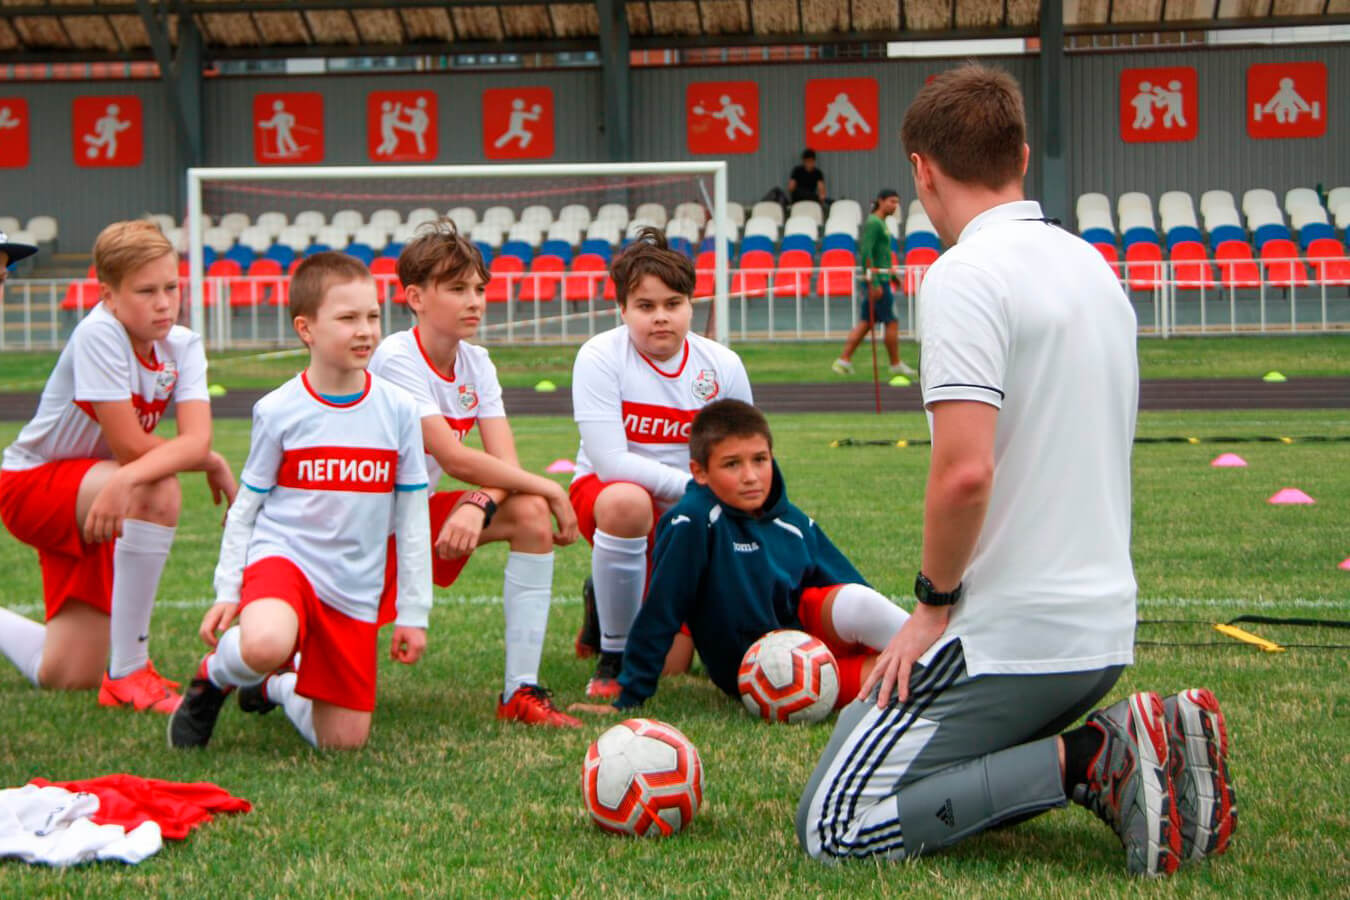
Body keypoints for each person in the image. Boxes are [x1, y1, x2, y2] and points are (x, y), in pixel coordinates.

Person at [797, 64, 1235, 877]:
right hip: (1100, 632)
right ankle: (1139, 740)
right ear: (1023, 157)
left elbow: (965, 474)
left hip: (1009, 638)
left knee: (836, 823)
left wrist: (930, 610)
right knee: (906, 769)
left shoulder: (966, 274)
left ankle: (1095, 756)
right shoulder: (1093, 268)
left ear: (922, 171)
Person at [169, 252, 432, 750]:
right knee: (266, 641)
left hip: (354, 585)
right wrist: (229, 591)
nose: (365, 330)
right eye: (348, 318)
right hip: (285, 560)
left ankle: (271, 685)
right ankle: (216, 675)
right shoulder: (278, 409)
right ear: (306, 328)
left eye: (373, 316)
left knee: (344, 743)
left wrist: (413, 611)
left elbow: (413, 515)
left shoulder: (399, 410)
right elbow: (245, 509)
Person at [0, 221, 235, 712]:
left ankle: (104, 671)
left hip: (95, 491)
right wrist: (188, 462)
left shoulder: (183, 345)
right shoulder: (99, 333)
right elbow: (131, 448)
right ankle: (128, 672)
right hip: (32, 487)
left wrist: (198, 454)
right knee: (158, 489)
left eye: (171, 287)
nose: (164, 303)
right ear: (108, 294)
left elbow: (198, 439)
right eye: (146, 291)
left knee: (67, 674)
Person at [368, 221, 582, 728]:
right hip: (355, 533)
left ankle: (520, 692)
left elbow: (501, 465)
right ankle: (266, 672)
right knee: (306, 684)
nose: (475, 301)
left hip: (411, 519)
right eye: (457, 288)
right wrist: (550, 486)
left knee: (528, 514)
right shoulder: (396, 358)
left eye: (479, 289)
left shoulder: (477, 362)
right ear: (415, 297)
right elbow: (455, 456)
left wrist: (480, 501)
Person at [572, 399, 909, 714]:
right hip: (765, 667)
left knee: (859, 600)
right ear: (700, 472)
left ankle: (943, 650)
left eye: (759, 460)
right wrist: (628, 697)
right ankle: (941, 671)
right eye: (732, 464)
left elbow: (845, 584)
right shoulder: (691, 522)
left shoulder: (790, 519)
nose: (750, 476)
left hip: (804, 629)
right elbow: (662, 611)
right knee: (906, 680)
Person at [569, 227, 753, 699]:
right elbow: (610, 464)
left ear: (692, 304)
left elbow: (746, 453)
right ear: (623, 310)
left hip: (689, 513)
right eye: (645, 307)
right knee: (627, 501)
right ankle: (613, 658)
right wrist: (702, 492)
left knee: (673, 666)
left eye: (673, 304)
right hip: (614, 498)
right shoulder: (599, 357)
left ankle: (604, 598)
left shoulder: (723, 365)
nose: (660, 318)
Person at [830, 188, 917, 378]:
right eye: (892, 201)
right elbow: (866, 252)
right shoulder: (874, 223)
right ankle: (895, 364)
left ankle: (843, 361)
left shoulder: (882, 223)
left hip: (882, 278)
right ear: (881, 201)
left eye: (897, 202)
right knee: (892, 322)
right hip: (878, 282)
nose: (895, 206)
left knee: (866, 323)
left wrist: (892, 274)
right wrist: (874, 281)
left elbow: (880, 255)